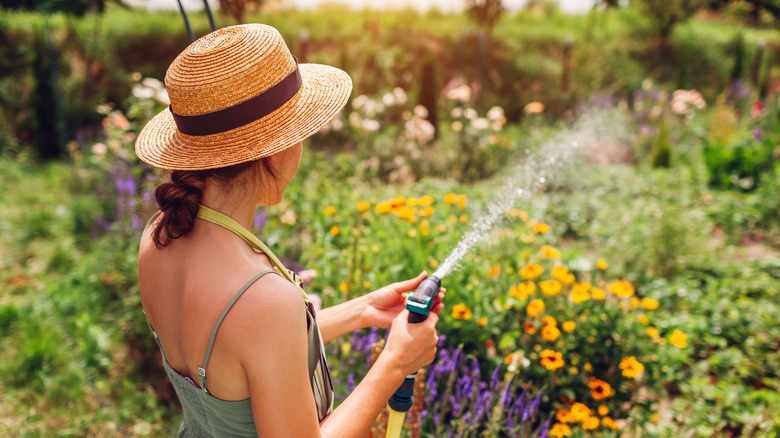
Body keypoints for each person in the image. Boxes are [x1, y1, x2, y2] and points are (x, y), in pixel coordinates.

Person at [134, 24, 444, 437]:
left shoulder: (158, 237)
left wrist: (362, 311)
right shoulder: (261, 298)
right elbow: (257, 325)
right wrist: (395, 364)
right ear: (275, 147)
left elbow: (245, 351)